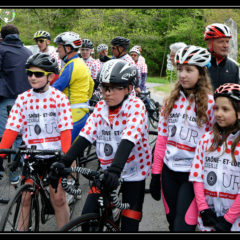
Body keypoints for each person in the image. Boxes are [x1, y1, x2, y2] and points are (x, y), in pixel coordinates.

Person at [52, 59, 152, 232]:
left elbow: (129, 139)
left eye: (114, 87)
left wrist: (115, 170)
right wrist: (65, 161)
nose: (107, 93)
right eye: (104, 87)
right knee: (88, 222)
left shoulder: (136, 107)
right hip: (107, 170)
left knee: (130, 225)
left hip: (133, 171)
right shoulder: (100, 107)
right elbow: (86, 135)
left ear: (129, 88)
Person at [0, 53, 73, 230]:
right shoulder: (23, 99)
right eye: (30, 73)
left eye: (38, 74)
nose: (32, 77)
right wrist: (1, 153)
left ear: (50, 76)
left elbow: (65, 130)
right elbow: (11, 129)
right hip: (31, 156)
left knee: (58, 199)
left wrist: (66, 159)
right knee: (25, 198)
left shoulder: (59, 98)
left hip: (54, 155)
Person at [149, 45, 215, 232]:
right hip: (169, 171)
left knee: (182, 227)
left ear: (201, 73)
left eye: (189, 70)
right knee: (172, 224)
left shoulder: (211, 103)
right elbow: (162, 140)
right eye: (180, 70)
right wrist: (155, 174)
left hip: (193, 175)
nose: (183, 75)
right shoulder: (170, 101)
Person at [189, 83, 240, 232]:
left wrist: (229, 219)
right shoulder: (206, 139)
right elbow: (197, 175)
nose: (218, 113)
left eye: (225, 109)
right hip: (209, 216)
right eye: (216, 108)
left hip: (235, 221)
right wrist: (203, 209)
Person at [0, 24, 32, 184]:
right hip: (26, 100)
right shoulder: (28, 52)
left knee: (3, 136)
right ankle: (16, 173)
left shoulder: (1, 50)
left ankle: (5, 170)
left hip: (7, 99)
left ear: (3, 36)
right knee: (19, 138)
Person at [53, 32, 94, 143]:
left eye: (59, 47)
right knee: (71, 153)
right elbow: (91, 86)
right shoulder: (81, 63)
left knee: (63, 152)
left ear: (68, 48)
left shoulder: (71, 66)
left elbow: (55, 90)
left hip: (72, 114)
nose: (57, 50)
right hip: (82, 111)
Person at [204, 23, 240, 91]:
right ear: (209, 43)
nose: (226, 45)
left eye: (227, 41)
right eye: (221, 42)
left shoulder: (234, 66)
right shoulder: (199, 65)